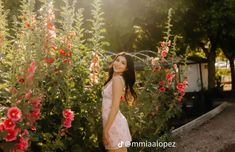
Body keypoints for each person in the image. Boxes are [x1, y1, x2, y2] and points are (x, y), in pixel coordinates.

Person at [102, 52, 137, 152]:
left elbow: (115, 107)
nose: (118, 64)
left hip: (114, 125)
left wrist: (106, 130)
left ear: (126, 68)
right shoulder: (114, 78)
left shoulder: (117, 80)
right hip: (112, 123)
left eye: (123, 63)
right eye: (117, 60)